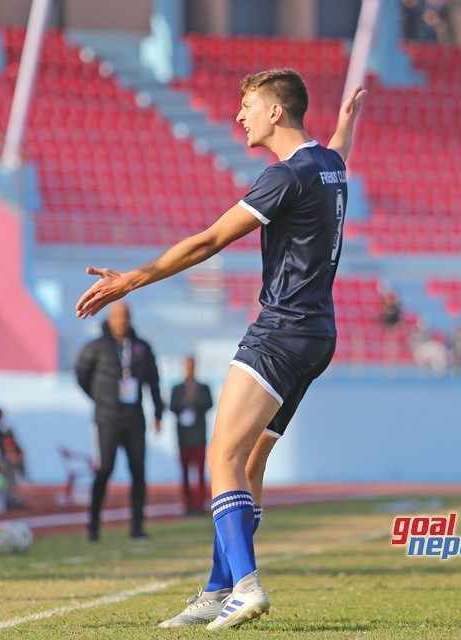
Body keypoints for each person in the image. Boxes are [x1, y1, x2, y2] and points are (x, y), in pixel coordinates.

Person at [76, 70, 366, 629]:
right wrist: (346, 124)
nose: (240, 116)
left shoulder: (285, 176)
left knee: (222, 458)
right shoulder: (328, 165)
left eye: (249, 105)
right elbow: (338, 151)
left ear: (276, 113)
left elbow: (210, 240)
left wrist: (129, 280)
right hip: (318, 337)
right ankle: (218, 587)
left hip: (280, 331)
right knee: (251, 458)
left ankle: (246, 586)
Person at [75, 302, 164, 542]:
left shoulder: (142, 348)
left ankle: (137, 527)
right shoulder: (96, 347)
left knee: (138, 472)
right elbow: (81, 375)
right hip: (107, 419)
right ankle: (93, 527)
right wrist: (99, 397)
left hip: (134, 419)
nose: (121, 321)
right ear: (110, 319)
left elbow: (153, 381)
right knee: (104, 469)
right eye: (117, 316)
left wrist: (158, 412)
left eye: (125, 316)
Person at [169, 355, 213, 515]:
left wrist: (195, 401)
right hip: (184, 436)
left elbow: (209, 403)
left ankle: (200, 503)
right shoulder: (177, 388)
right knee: (185, 472)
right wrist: (184, 402)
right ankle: (187, 504)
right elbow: (172, 406)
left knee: (200, 471)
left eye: (192, 366)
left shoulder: (203, 388)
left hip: (199, 435)